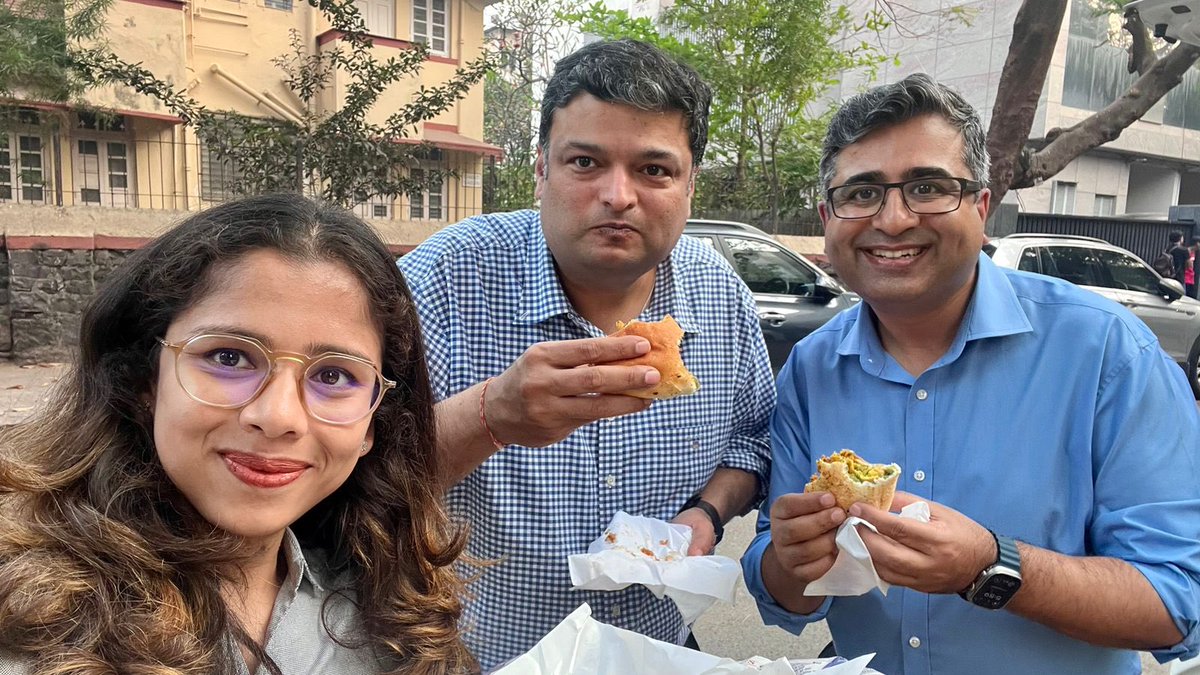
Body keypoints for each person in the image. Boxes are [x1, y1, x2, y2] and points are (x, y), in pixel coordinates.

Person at [742, 73, 1200, 674]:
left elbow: (1176, 603)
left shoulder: (1107, 351)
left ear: (981, 208)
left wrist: (992, 567)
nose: (895, 219)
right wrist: (789, 560)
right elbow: (785, 596)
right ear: (829, 218)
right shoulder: (812, 366)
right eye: (861, 193)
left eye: (928, 187)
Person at [398, 38, 774, 668]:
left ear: (689, 187)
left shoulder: (720, 297)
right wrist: (492, 416)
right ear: (542, 168)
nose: (618, 195)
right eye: (585, 162)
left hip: (658, 649)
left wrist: (707, 514)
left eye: (654, 170)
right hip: (479, 655)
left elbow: (751, 441)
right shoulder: (440, 280)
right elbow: (347, 472)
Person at [0, 194, 474, 674]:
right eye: (229, 357)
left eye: (333, 376)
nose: (278, 416)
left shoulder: (396, 615)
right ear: (146, 380)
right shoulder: (28, 626)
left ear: (375, 420)